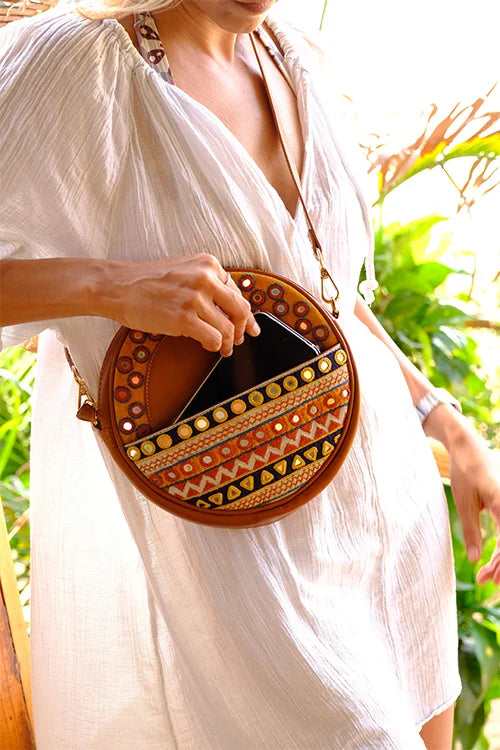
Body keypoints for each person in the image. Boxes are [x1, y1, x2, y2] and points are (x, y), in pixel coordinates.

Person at [0, 1, 499, 748]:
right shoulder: (76, 64)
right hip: (245, 567)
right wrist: (110, 286)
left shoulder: (293, 56)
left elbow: (324, 294)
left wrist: (444, 422)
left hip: (393, 531)